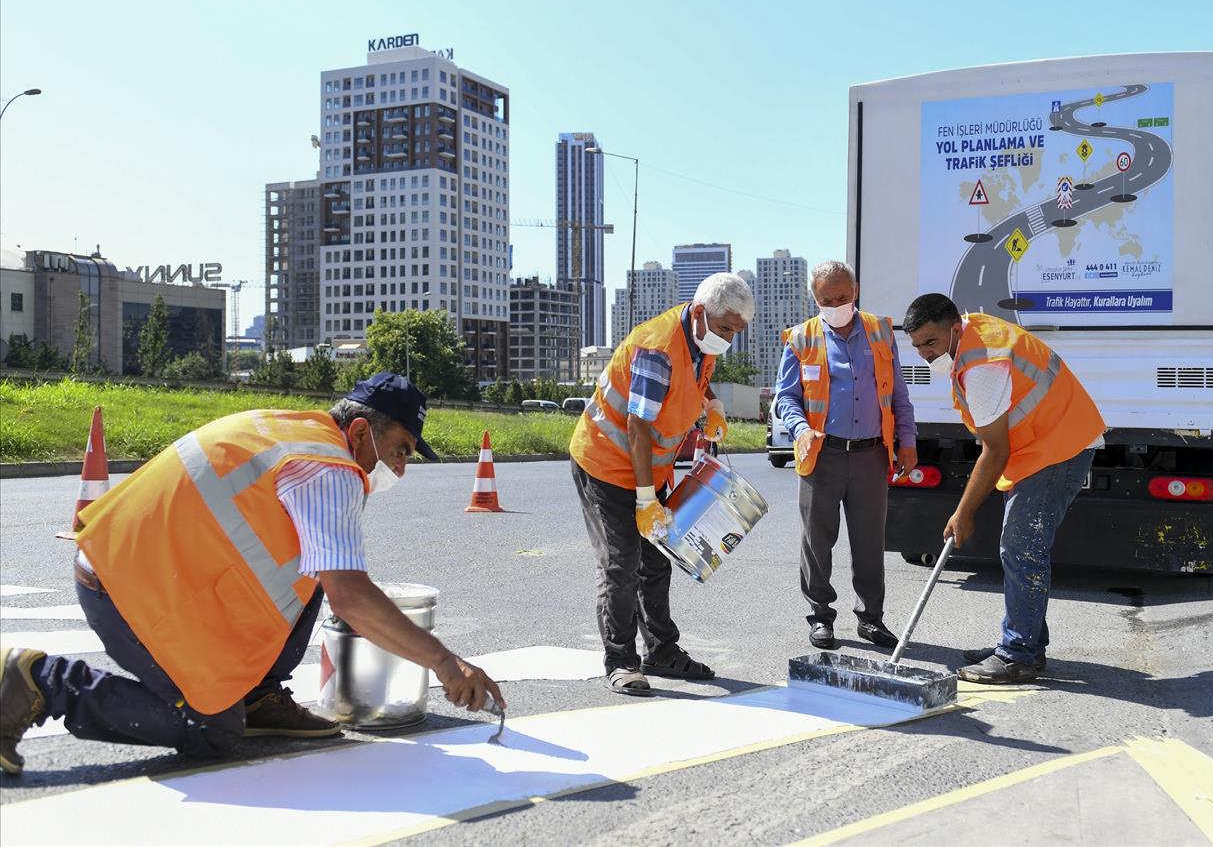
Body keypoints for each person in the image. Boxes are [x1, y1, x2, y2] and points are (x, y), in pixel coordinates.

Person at [0, 373, 504, 775]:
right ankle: (38, 682)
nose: (399, 467)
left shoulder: (293, 430)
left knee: (318, 566)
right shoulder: (328, 468)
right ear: (358, 431)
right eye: (399, 450)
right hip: (127, 587)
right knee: (212, 731)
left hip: (136, 563)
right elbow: (349, 598)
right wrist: (445, 663)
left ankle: (257, 694)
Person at [902, 294, 1105, 684]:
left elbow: (994, 451)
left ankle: (1018, 654)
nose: (925, 353)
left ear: (954, 329)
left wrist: (963, 513)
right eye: (918, 346)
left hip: (1059, 448)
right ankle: (1024, 642)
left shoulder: (983, 367)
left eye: (931, 342)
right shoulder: (974, 334)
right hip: (1047, 445)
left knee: (1021, 547)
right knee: (1021, 547)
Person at [570, 272, 753, 696]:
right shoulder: (658, 348)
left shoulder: (701, 340)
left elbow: (690, 388)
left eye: (736, 332)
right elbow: (637, 425)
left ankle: (661, 652)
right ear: (702, 312)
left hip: (646, 469)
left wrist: (712, 405)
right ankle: (621, 661)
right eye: (726, 329)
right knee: (621, 565)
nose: (729, 339)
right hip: (605, 463)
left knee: (655, 562)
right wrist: (646, 498)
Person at [776, 261, 918, 652]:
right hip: (822, 455)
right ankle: (820, 617)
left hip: (871, 455)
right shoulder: (801, 338)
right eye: (827, 299)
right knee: (816, 542)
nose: (836, 304)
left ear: (855, 291)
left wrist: (907, 440)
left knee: (870, 542)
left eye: (842, 297)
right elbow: (785, 398)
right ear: (815, 298)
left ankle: (871, 619)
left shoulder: (879, 332)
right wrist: (801, 429)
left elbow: (898, 396)